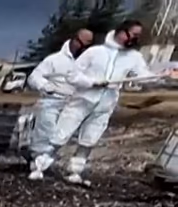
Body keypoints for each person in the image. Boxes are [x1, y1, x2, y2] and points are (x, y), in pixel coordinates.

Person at [33, 20, 164, 185]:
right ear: (121, 32)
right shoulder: (95, 52)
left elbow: (144, 76)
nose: (135, 39)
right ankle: (40, 166)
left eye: (138, 36)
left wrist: (161, 75)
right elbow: (72, 75)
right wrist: (91, 82)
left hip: (106, 103)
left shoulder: (134, 57)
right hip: (83, 99)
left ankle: (75, 171)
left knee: (90, 137)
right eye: (133, 34)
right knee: (62, 133)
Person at [26, 29, 94, 179]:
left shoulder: (89, 64)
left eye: (88, 46)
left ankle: (71, 168)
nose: (84, 48)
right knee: (46, 130)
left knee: (69, 135)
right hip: (53, 99)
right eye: (82, 44)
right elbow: (34, 77)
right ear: (74, 40)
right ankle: (36, 163)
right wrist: (45, 86)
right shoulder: (54, 60)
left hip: (75, 102)